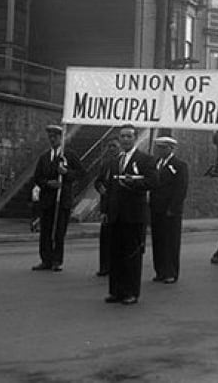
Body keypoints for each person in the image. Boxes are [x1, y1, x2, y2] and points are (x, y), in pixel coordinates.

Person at [94, 125, 157, 305]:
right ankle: (116, 291)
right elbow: (109, 190)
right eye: (122, 136)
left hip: (133, 215)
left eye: (129, 136)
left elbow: (153, 181)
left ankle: (131, 292)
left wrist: (134, 183)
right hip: (115, 215)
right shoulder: (115, 162)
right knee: (115, 255)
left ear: (135, 138)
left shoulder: (145, 160)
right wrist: (105, 211)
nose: (125, 140)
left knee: (132, 255)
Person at [31, 125, 84, 272]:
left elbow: (81, 173)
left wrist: (66, 173)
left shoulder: (69, 155)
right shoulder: (44, 157)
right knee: (46, 231)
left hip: (62, 200)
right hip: (47, 199)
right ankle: (45, 260)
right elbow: (37, 177)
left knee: (59, 231)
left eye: (55, 136)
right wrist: (48, 183)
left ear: (61, 138)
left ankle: (57, 260)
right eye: (50, 137)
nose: (52, 139)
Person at [149, 136, 189, 284]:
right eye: (158, 147)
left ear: (171, 148)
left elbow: (181, 189)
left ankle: (171, 272)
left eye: (163, 147)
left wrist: (173, 208)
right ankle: (160, 271)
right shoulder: (155, 164)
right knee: (158, 241)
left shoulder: (179, 165)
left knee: (171, 242)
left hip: (170, 210)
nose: (160, 150)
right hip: (156, 209)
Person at [95, 136, 122, 277]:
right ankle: (104, 266)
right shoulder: (105, 164)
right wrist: (99, 187)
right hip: (106, 205)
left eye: (114, 146)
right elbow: (98, 181)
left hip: (119, 205)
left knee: (118, 239)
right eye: (109, 146)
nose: (111, 149)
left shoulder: (123, 163)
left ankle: (116, 267)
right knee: (105, 238)